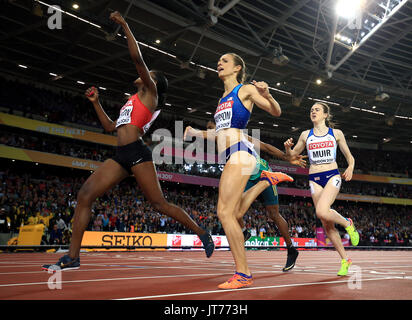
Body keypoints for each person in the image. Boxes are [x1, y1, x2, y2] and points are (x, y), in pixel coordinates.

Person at [42, 11, 214, 271]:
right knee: (85, 195)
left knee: (159, 204)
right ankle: (73, 257)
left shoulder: (151, 95)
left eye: (148, 73)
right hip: (120, 153)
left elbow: (137, 58)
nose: (143, 74)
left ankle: (201, 232)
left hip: (137, 152)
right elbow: (111, 126)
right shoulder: (131, 100)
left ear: (152, 80)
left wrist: (125, 26)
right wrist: (96, 103)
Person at [190, 52, 293, 289]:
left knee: (224, 213)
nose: (219, 63)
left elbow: (276, 112)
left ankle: (243, 273)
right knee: (234, 214)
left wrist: (268, 95)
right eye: (219, 60)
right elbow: (219, 132)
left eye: (225, 61)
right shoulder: (221, 99)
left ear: (237, 68)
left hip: (240, 152)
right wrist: (195, 133)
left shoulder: (244, 90)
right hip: (232, 156)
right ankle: (265, 181)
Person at [185, 121, 307, 272]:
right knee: (233, 207)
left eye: (212, 127)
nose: (211, 131)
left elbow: (265, 146)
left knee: (273, 214)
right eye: (209, 128)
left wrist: (286, 157)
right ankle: (244, 232)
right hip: (247, 176)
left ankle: (291, 249)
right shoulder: (223, 142)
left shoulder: (233, 134)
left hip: (261, 169)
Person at [284, 102, 359, 276]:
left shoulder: (336, 134)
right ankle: (345, 260)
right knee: (326, 224)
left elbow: (350, 156)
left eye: (317, 109)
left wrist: (350, 167)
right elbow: (291, 157)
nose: (313, 111)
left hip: (332, 175)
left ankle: (348, 223)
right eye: (311, 110)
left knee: (322, 211)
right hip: (314, 178)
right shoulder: (305, 135)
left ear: (325, 115)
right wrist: (288, 148)